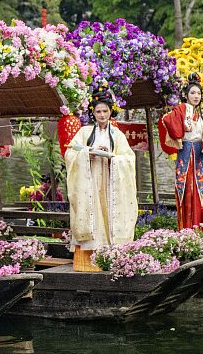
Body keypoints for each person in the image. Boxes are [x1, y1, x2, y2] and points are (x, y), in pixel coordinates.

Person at [65, 87, 138, 271]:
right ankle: (87, 263)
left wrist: (112, 157)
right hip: (89, 182)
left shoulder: (117, 135)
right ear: (93, 112)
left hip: (111, 181)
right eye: (98, 111)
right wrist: (85, 156)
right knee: (93, 215)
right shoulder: (84, 132)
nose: (102, 114)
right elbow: (70, 152)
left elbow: (129, 159)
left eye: (105, 111)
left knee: (108, 215)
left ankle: (111, 257)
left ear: (110, 111)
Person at [161, 73, 203, 242]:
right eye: (192, 93)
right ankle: (187, 234)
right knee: (187, 191)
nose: (196, 96)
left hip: (200, 155)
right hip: (185, 153)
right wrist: (180, 119)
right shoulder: (181, 110)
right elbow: (168, 121)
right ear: (186, 95)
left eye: (198, 93)